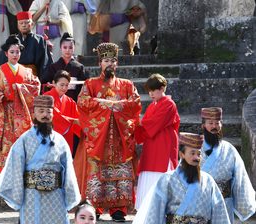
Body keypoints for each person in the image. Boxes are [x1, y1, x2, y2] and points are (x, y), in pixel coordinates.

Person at [74, 42, 142, 222]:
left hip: (121, 137)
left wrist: (114, 106)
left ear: (117, 64)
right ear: (99, 64)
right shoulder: (90, 84)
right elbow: (82, 103)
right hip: (99, 138)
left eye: (112, 60)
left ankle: (119, 209)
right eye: (105, 60)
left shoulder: (127, 85)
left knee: (121, 174)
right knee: (96, 172)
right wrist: (107, 105)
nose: (109, 64)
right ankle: (94, 206)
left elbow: (135, 104)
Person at [0, 95, 81, 224]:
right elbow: (16, 168)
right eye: (41, 111)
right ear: (34, 113)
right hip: (31, 196)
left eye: (48, 112)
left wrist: (70, 195)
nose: (45, 115)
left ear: (53, 114)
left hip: (56, 196)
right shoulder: (24, 139)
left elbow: (69, 173)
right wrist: (18, 195)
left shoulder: (60, 141)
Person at [0, 35, 41, 183]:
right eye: (12, 52)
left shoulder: (27, 72)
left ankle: (21, 178)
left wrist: (21, 88)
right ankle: (2, 178)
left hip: (22, 114)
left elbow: (36, 87)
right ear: (6, 53)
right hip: (3, 113)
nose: (15, 55)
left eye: (17, 51)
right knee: (3, 146)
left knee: (22, 144)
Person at [133, 132, 231, 224]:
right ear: (182, 154)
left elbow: (219, 212)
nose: (196, 158)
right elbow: (155, 213)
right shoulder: (167, 179)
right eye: (192, 153)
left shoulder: (208, 180)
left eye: (199, 154)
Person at [199, 107, 256, 223]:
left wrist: (244, 203)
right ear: (203, 126)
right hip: (199, 201)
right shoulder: (194, 147)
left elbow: (240, 178)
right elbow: (183, 174)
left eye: (217, 123)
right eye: (210, 123)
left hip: (224, 203)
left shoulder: (229, 149)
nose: (214, 126)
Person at [134, 73, 180, 210]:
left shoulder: (169, 104)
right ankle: (146, 209)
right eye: (149, 91)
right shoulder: (153, 105)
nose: (151, 94)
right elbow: (147, 124)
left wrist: (137, 124)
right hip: (152, 143)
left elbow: (154, 123)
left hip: (164, 143)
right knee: (148, 171)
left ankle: (160, 209)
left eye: (154, 90)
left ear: (162, 89)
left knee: (162, 172)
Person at [0, 11, 52, 80]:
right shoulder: (12, 40)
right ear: (17, 25)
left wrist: (41, 81)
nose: (23, 25)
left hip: (33, 77)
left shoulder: (40, 40)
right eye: (21, 23)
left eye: (26, 22)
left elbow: (45, 64)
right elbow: (2, 61)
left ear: (32, 24)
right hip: (15, 76)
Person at [41, 32, 88, 101]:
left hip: (74, 99)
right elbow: (45, 82)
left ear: (74, 48)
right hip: (57, 99)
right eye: (65, 47)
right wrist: (50, 85)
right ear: (61, 48)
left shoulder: (80, 67)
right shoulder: (54, 66)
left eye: (70, 47)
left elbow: (85, 84)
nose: (67, 50)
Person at [43, 70, 81, 154]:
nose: (64, 88)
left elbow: (78, 119)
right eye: (61, 85)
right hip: (49, 136)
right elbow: (54, 116)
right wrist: (73, 121)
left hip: (66, 138)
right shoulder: (46, 97)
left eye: (66, 85)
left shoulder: (70, 101)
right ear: (54, 83)